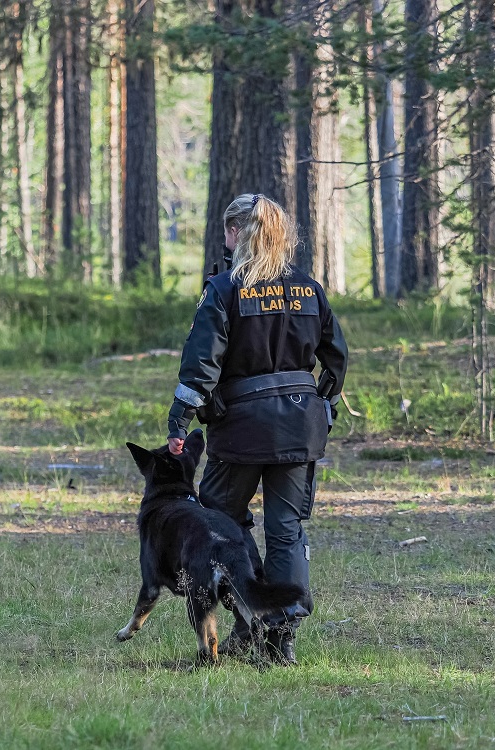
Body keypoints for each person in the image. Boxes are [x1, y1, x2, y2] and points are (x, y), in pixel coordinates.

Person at [165, 193, 348, 665]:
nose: (224, 240)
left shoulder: (224, 289)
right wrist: (324, 402)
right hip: (299, 428)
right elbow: (336, 357)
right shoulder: (309, 288)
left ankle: (253, 616)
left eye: (228, 231)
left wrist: (179, 418)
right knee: (286, 528)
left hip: (243, 429)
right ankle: (280, 632)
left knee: (221, 519)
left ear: (237, 234)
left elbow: (201, 362)